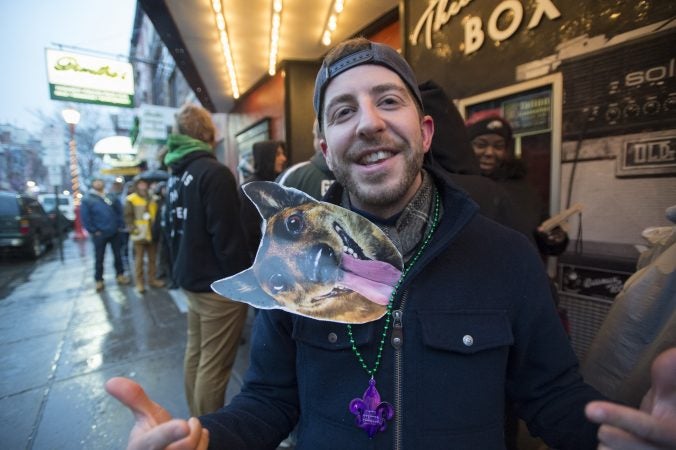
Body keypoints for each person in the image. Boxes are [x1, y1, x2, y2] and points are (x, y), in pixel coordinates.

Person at [105, 39, 676, 450]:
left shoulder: (505, 256)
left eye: (389, 101)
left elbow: (550, 397)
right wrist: (205, 438)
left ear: (424, 133)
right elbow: (268, 402)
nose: (369, 123)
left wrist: (611, 437)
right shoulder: (292, 270)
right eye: (344, 111)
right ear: (326, 149)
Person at [163, 103, 251, 417]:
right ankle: (208, 435)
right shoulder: (214, 173)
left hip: (190, 280)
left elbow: (170, 232)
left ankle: (196, 423)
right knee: (215, 365)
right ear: (208, 134)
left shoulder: (177, 174)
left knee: (197, 354)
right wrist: (242, 283)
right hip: (217, 288)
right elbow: (227, 236)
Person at [466, 113, 569, 256]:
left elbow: (537, 234)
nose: (489, 152)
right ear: (466, 147)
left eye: (498, 146)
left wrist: (553, 238)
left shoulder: (523, 189)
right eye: (481, 145)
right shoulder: (456, 186)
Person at [239, 139, 287, 260]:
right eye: (277, 154)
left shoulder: (278, 183)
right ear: (266, 157)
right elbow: (248, 231)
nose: (283, 158)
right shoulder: (251, 187)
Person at [80, 178, 130, 292]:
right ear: (92, 184)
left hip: (114, 232)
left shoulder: (111, 196)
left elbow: (120, 212)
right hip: (99, 234)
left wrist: (119, 225)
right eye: (95, 181)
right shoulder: (88, 199)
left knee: (118, 255)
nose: (98, 183)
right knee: (99, 257)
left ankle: (120, 275)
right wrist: (93, 231)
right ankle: (99, 280)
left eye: (100, 181)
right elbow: (85, 218)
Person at [277, 119, 336, 200]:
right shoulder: (357, 175)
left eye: (314, 135)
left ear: (319, 140)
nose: (283, 158)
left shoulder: (291, 176)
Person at [125, 177, 165, 293]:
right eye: (140, 184)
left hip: (152, 232)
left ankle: (152, 279)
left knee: (153, 258)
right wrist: (132, 229)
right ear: (136, 185)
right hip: (139, 232)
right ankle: (139, 283)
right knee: (139, 259)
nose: (143, 186)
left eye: (144, 184)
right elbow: (128, 216)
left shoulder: (152, 198)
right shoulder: (131, 199)